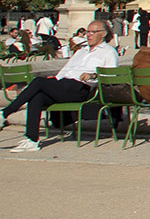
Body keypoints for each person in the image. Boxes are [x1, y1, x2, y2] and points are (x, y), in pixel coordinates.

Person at [1, 21, 119, 152]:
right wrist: (54, 81)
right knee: (38, 96)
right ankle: (32, 140)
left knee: (38, 82)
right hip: (65, 85)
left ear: (103, 34)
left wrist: (93, 75)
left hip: (80, 88)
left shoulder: (108, 52)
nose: (88, 35)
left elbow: (110, 76)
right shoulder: (81, 51)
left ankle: (5, 113)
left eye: (93, 32)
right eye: (87, 32)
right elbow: (65, 70)